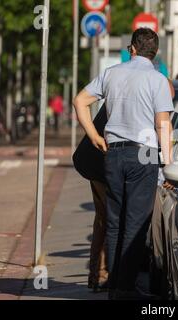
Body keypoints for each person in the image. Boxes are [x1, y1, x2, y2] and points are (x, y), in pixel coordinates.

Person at [73, 28, 174, 300]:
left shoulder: (111, 74)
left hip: (113, 154)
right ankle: (126, 288)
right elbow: (162, 124)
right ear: (155, 53)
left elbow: (80, 101)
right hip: (144, 155)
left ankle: (116, 286)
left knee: (115, 222)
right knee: (136, 223)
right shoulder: (158, 80)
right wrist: (169, 164)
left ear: (132, 49)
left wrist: (94, 136)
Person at [72, 105, 109, 293]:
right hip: (100, 163)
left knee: (103, 220)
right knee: (109, 219)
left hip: (98, 162)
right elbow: (79, 101)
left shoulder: (124, 85)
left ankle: (98, 275)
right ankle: (101, 275)